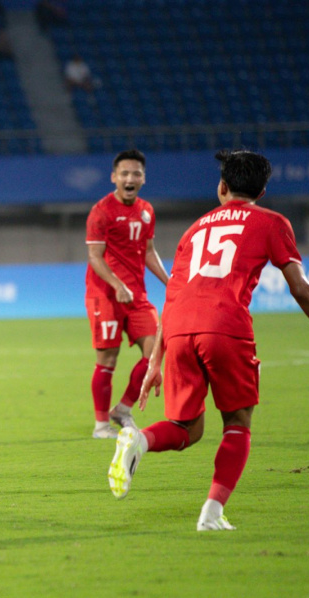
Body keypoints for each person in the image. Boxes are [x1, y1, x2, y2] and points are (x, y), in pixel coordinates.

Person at [107, 149, 309, 530]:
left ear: (222, 187)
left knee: (187, 428)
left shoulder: (195, 229)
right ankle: (211, 515)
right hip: (225, 326)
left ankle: (139, 441)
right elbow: (299, 286)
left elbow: (173, 294)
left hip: (177, 329)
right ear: (261, 191)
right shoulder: (272, 222)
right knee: (237, 422)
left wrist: (156, 361)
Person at [85, 150, 169, 440]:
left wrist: (170, 282)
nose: (130, 178)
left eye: (136, 174)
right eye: (124, 173)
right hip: (105, 295)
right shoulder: (101, 211)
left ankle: (122, 409)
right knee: (108, 358)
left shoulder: (147, 211)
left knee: (156, 350)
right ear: (114, 177)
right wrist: (117, 285)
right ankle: (100, 426)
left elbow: (148, 251)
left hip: (137, 296)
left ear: (143, 178)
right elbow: (95, 257)